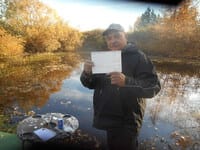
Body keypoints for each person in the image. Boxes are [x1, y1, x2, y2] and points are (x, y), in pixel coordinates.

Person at [80, 23, 161, 150]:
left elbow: (153, 87)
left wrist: (127, 82)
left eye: (117, 36)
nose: (113, 41)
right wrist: (87, 73)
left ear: (125, 37)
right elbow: (91, 84)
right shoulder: (103, 59)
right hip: (108, 118)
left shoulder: (140, 57)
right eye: (109, 38)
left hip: (127, 122)